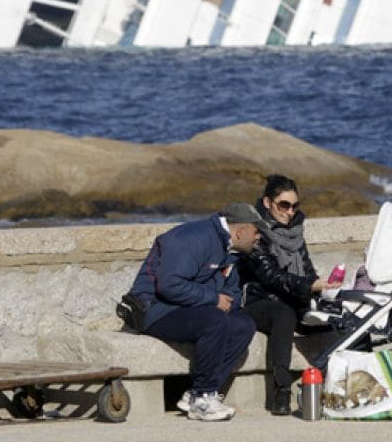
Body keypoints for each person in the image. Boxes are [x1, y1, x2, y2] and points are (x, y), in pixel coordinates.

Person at [128, 202, 264, 421]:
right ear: (240, 231)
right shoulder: (193, 238)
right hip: (154, 309)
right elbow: (168, 285)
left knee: (243, 325)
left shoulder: (232, 249)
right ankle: (203, 397)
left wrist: (226, 302)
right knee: (215, 320)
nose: (259, 238)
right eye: (257, 232)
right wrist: (213, 299)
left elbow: (232, 292)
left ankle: (197, 395)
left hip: (190, 308)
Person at [238, 174, 341, 416]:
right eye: (284, 205)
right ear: (267, 203)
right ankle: (281, 392)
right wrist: (310, 286)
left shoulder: (295, 231)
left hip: (293, 297)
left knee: (334, 318)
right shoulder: (254, 233)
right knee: (284, 315)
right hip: (259, 300)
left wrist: (323, 287)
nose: (290, 211)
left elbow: (306, 269)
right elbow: (270, 276)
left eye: (294, 205)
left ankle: (344, 383)